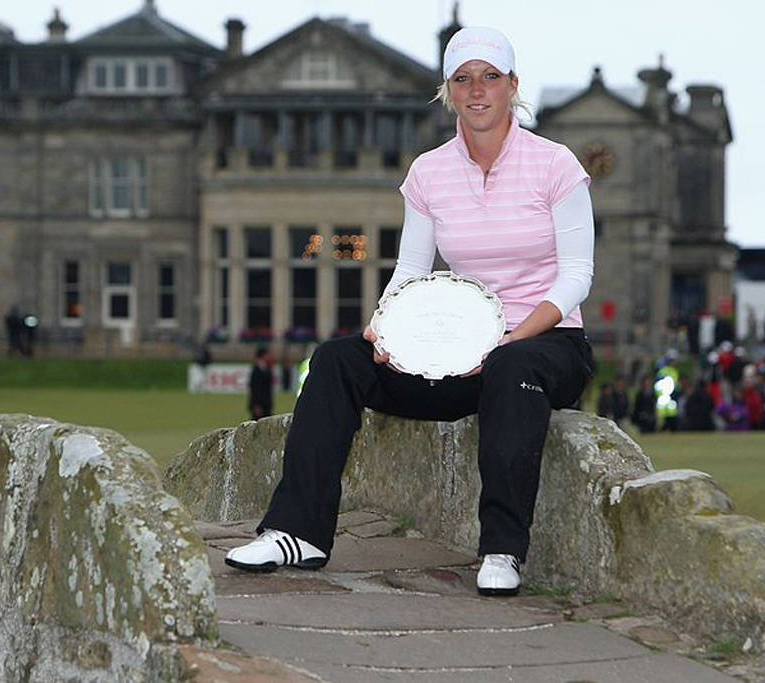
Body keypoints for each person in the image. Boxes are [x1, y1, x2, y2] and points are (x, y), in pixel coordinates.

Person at [225, 27, 595, 597]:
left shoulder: (555, 164)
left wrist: (511, 339)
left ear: (513, 86)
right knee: (337, 359)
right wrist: (383, 329)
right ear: (448, 91)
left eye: (490, 77)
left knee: (510, 366)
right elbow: (410, 270)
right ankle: (298, 532)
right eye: (463, 79)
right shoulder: (428, 171)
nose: (477, 90)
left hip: (546, 344)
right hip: (457, 349)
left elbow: (576, 277)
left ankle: (501, 549)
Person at [247, 346, 274, 420]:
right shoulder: (256, 370)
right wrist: (256, 405)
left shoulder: (266, 368)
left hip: (266, 404)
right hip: (259, 405)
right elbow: (254, 388)